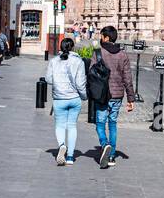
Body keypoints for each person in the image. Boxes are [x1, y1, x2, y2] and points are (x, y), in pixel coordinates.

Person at [90, 25, 135, 169]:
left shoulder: (98, 53)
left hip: (102, 94)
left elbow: (91, 73)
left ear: (107, 37)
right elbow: (128, 78)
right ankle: (111, 156)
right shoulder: (123, 55)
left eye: (102, 35)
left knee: (100, 123)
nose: (100, 38)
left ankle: (105, 144)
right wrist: (131, 99)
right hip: (117, 95)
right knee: (113, 124)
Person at [47, 36, 87, 166]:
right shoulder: (79, 62)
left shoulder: (54, 61)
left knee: (60, 125)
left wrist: (58, 83)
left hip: (59, 99)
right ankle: (70, 157)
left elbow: (48, 79)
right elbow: (81, 83)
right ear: (72, 47)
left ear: (61, 47)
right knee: (72, 126)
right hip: (74, 98)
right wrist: (84, 96)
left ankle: (62, 145)